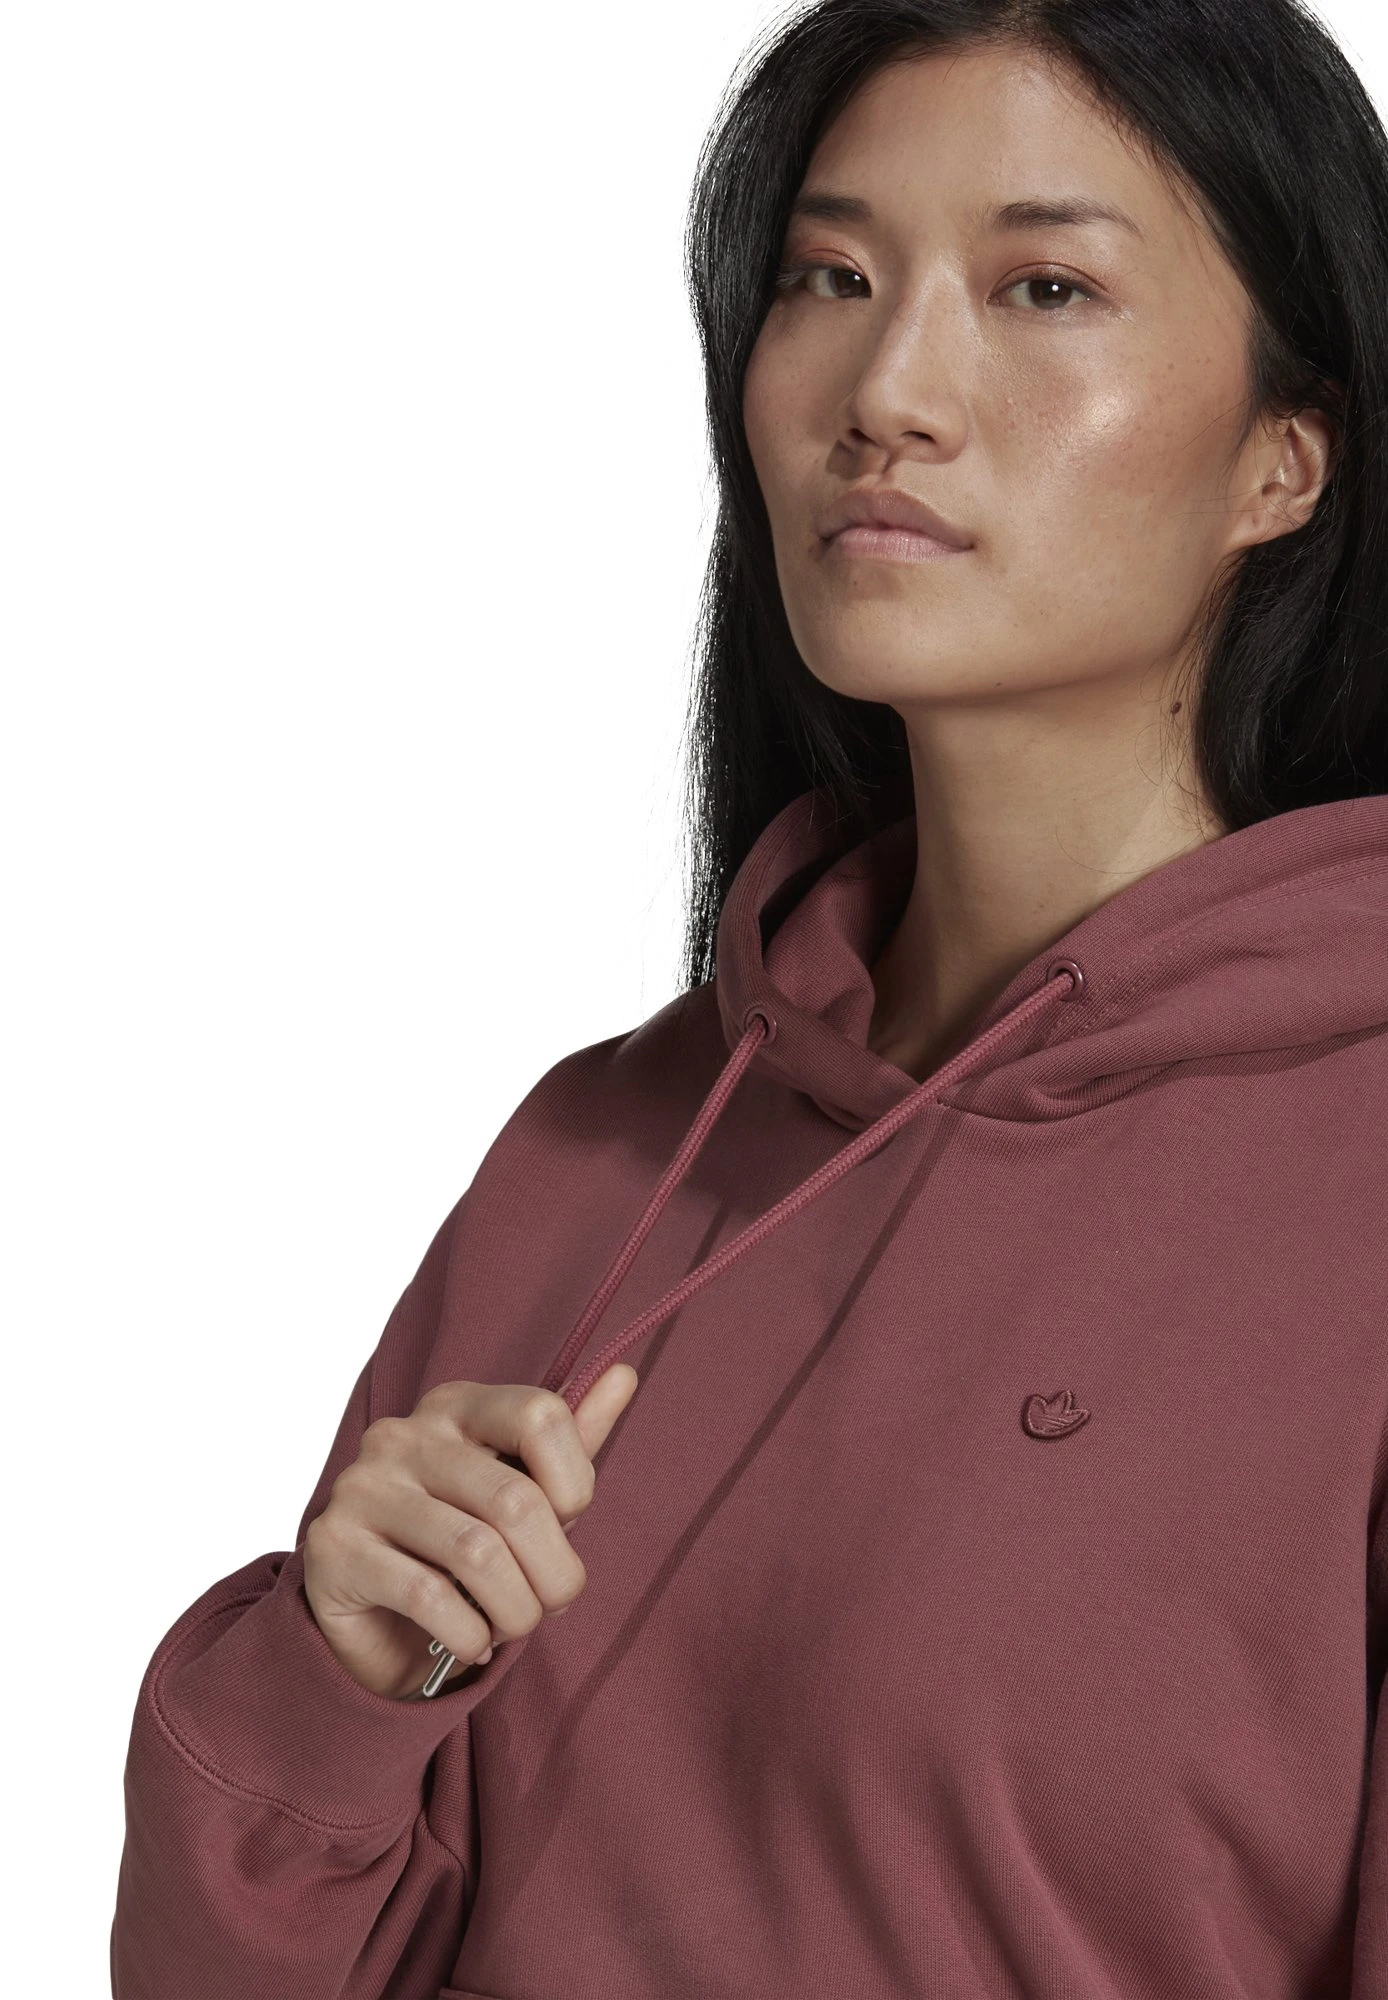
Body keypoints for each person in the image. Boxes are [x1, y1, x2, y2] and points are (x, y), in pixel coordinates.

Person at [110, 0, 1388, 1993]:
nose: (889, 390)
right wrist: (328, 1694)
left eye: (1043, 287)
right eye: (828, 278)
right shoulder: (598, 1152)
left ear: (1285, 462)